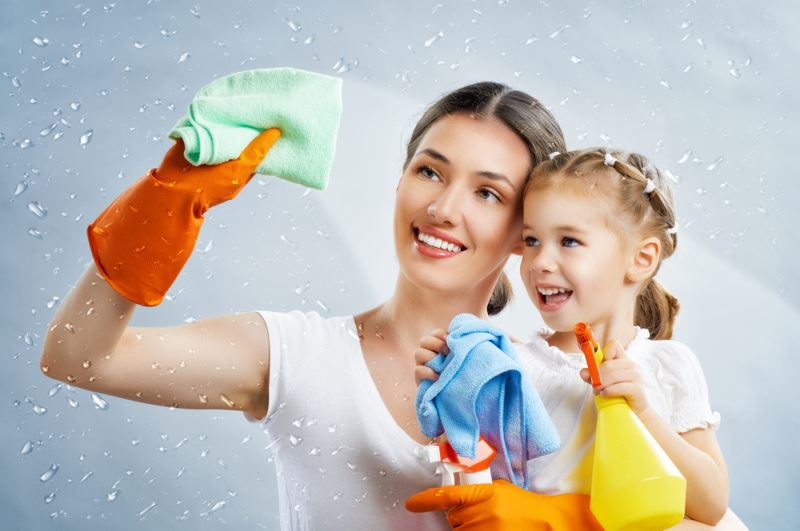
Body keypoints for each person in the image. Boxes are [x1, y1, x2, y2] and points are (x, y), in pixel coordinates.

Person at [40, 81, 592, 529]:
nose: (444, 208)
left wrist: (556, 521)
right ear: (400, 180)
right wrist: (161, 207)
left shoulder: (558, 386)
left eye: (487, 193)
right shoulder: (300, 355)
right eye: (430, 171)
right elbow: (78, 356)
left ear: (526, 231)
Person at [411, 149, 742, 528]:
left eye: (568, 241)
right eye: (531, 240)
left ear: (641, 259)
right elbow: (474, 477)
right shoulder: (513, 367)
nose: (540, 262)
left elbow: (711, 506)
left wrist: (644, 412)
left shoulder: (668, 368)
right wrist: (451, 393)